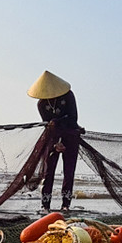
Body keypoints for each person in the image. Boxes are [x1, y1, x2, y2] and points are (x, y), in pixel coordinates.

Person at [28, 70, 82, 215]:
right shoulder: (41, 104)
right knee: (48, 172)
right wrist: (55, 144)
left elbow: (73, 119)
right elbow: (47, 125)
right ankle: (45, 205)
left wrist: (58, 123)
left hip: (71, 136)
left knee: (69, 172)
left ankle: (66, 204)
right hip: (52, 139)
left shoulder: (68, 96)